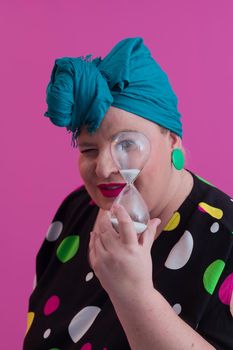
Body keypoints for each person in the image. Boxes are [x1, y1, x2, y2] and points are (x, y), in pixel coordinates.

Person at [23, 37, 233, 350]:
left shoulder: (226, 237)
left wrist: (133, 294)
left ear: (172, 140)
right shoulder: (76, 211)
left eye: (127, 145)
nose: (104, 168)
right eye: (89, 149)